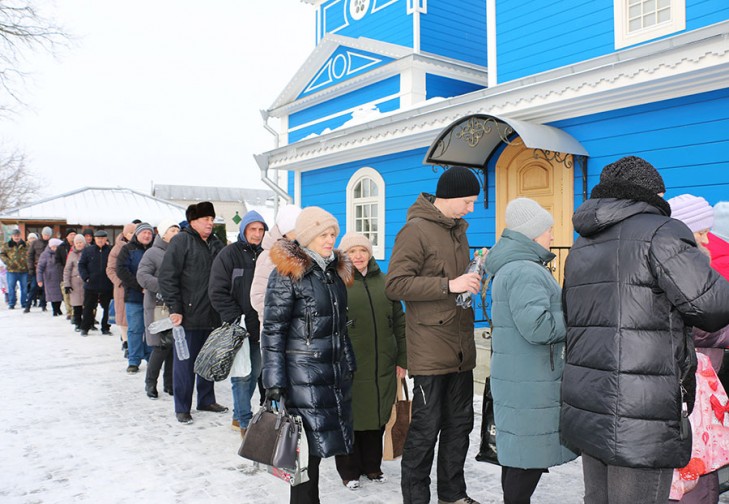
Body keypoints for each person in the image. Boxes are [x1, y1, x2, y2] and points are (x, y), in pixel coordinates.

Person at [560, 156, 729, 504]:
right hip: (642, 405)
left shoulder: (581, 245)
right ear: (651, 193)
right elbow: (713, 307)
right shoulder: (660, 231)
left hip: (590, 400)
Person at [385, 166, 482, 504]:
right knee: (426, 431)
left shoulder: (458, 230)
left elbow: (453, 281)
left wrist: (470, 278)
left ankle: (453, 494)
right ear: (450, 196)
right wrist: (448, 285)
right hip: (429, 351)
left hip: (460, 348)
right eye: (468, 202)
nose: (471, 208)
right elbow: (395, 284)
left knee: (459, 427)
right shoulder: (415, 231)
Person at [484, 198, 577, 504]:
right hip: (530, 381)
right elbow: (537, 328)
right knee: (527, 459)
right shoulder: (525, 271)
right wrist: (577, 317)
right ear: (533, 233)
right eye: (548, 230)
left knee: (519, 456)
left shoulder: (515, 267)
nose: (552, 236)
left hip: (522, 376)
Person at [261, 206, 356, 504]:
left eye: (332, 234)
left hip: (332, 374)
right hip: (301, 377)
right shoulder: (287, 274)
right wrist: (274, 382)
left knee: (315, 452)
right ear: (307, 237)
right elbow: (273, 331)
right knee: (304, 456)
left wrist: (349, 362)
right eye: (323, 235)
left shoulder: (333, 272)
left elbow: (341, 326)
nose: (330, 240)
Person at [667, 194, 729, 504]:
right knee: (695, 464)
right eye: (702, 231)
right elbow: (702, 325)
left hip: (699, 379)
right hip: (690, 381)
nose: (708, 238)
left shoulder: (692, 260)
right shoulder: (686, 267)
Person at [334, 232, 407, 490]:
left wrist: (402, 357)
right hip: (351, 363)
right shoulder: (337, 282)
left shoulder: (385, 282)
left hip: (382, 363)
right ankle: (349, 470)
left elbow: (399, 321)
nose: (358, 256)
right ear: (344, 255)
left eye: (362, 250)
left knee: (377, 415)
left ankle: (372, 466)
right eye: (352, 251)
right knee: (352, 416)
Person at [158, 201, 227, 424]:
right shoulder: (181, 241)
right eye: (206, 219)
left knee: (208, 360)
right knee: (184, 364)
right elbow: (168, 277)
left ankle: (206, 399)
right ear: (193, 221)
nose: (210, 223)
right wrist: (175, 309)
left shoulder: (217, 244)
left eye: (212, 219)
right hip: (187, 316)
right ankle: (182, 406)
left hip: (213, 315)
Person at [209, 210, 267, 436]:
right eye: (253, 229)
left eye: (261, 230)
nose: (257, 234)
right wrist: (235, 317)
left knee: (255, 373)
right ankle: (244, 421)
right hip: (239, 326)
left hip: (261, 326)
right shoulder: (228, 255)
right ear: (244, 230)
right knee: (242, 376)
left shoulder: (266, 255)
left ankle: (237, 415)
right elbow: (217, 291)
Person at [250, 204, 301, 407]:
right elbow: (257, 297)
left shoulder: (300, 253)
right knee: (280, 393)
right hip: (278, 337)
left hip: (297, 338)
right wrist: (283, 316)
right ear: (287, 228)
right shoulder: (269, 256)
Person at [137, 219, 180, 399]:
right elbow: (142, 276)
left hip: (176, 305)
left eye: (178, 230)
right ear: (163, 234)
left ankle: (169, 384)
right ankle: (150, 383)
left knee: (173, 345)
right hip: (158, 306)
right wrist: (165, 285)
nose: (177, 233)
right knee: (161, 346)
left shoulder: (178, 252)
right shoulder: (152, 253)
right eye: (172, 230)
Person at [117, 222, 154, 374]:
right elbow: (122, 270)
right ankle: (134, 360)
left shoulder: (154, 250)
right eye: (143, 232)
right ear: (137, 234)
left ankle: (151, 356)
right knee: (135, 329)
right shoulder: (128, 249)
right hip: (133, 296)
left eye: (149, 233)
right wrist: (140, 286)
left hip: (152, 296)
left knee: (151, 329)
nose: (146, 236)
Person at [107, 223, 136, 358]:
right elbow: (110, 269)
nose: (132, 236)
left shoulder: (141, 246)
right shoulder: (117, 249)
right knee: (123, 317)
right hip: (122, 288)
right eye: (130, 233)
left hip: (136, 286)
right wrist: (120, 282)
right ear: (125, 234)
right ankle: (126, 342)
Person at [77, 230, 114, 336]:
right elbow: (81, 265)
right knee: (88, 308)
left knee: (107, 308)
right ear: (95, 239)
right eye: (98, 238)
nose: (100, 240)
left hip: (107, 285)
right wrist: (86, 277)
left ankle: (105, 327)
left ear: (106, 239)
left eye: (102, 238)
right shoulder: (88, 250)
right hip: (91, 284)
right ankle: (85, 327)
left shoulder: (111, 251)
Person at [63, 234, 87, 331]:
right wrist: (67, 284)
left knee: (88, 305)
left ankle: (87, 323)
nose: (79, 244)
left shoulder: (88, 252)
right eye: (77, 243)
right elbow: (67, 270)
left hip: (86, 281)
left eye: (80, 242)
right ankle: (77, 323)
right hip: (75, 283)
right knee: (77, 305)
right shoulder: (72, 254)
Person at [0, 229, 28, 310]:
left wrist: (27, 263)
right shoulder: (7, 245)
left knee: (24, 288)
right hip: (11, 270)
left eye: (18, 235)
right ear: (12, 236)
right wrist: (8, 262)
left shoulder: (26, 245)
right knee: (11, 287)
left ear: (20, 236)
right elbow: (2, 255)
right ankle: (11, 303)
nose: (16, 237)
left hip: (23, 270)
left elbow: (30, 254)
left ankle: (24, 303)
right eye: (15, 235)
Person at [26, 226, 51, 312]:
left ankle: (44, 305)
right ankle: (27, 306)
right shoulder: (35, 243)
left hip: (47, 269)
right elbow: (30, 256)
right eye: (45, 234)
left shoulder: (51, 243)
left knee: (45, 288)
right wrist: (31, 268)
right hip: (36, 268)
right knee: (33, 287)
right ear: (42, 234)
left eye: (48, 235)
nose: (46, 236)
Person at [37, 238, 65, 316]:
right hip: (50, 278)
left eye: (56, 247)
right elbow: (40, 267)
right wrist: (39, 279)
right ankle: (55, 310)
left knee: (59, 295)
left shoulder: (61, 253)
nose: (54, 248)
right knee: (53, 295)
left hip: (60, 277)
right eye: (53, 247)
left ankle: (58, 308)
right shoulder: (45, 254)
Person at [56, 228, 77, 320]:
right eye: (71, 234)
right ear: (67, 236)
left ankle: (75, 311)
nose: (73, 236)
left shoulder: (79, 245)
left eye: (74, 234)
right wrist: (64, 270)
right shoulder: (61, 247)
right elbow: (57, 261)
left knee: (76, 293)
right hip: (65, 274)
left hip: (76, 274)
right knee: (66, 293)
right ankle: (69, 312)